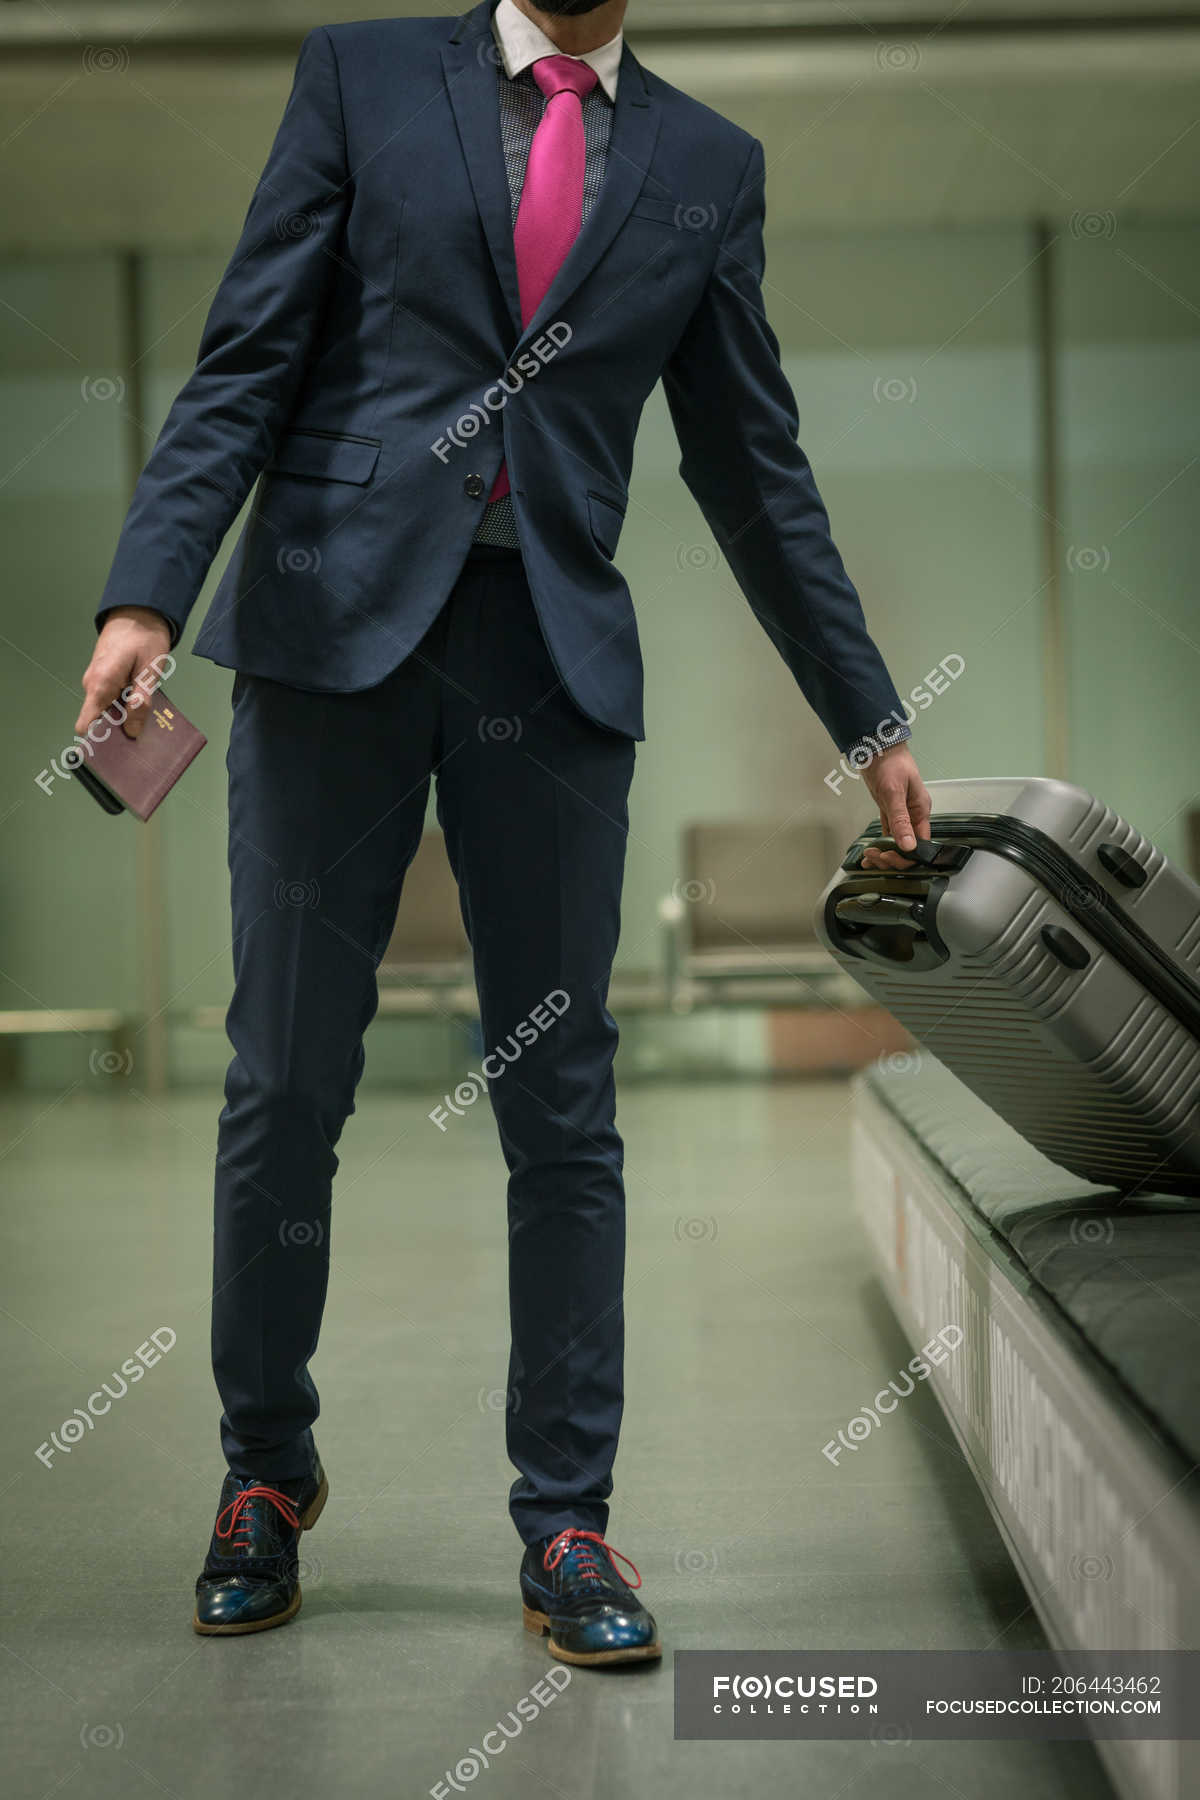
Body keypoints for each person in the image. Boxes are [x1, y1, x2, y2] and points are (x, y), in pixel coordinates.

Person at [76, 0, 930, 1666]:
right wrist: (143, 590)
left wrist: (869, 714)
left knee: (562, 1092)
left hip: (548, 669)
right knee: (284, 1077)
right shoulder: (358, 77)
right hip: (330, 643)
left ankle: (570, 1524)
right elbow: (249, 355)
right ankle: (264, 1472)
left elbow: (753, 467)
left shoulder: (701, 164)